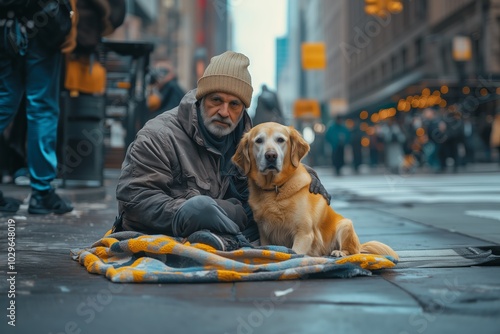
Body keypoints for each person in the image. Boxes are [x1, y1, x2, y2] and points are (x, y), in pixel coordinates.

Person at [113, 51, 330, 251]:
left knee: (277, 215)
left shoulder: (249, 143)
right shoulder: (158, 135)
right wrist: (183, 213)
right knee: (202, 209)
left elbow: (267, 183)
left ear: (242, 108)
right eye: (216, 100)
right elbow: (135, 199)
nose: (224, 112)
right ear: (201, 98)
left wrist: (302, 175)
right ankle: (224, 241)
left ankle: (225, 242)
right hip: (168, 229)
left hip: (235, 228)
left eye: (234, 104)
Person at [0, 0, 76, 214]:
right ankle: (41, 193)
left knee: (4, 100)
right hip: (41, 23)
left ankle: (42, 193)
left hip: (5, 24)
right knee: (41, 107)